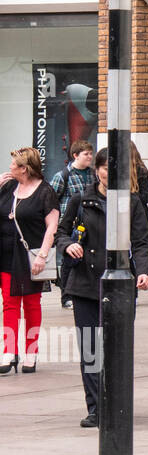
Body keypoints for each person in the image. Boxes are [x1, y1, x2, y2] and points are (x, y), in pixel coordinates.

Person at [55, 148, 148, 427]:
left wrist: (143, 273)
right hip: (85, 283)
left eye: (114, 168)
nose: (108, 173)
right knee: (90, 349)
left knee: (117, 346)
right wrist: (68, 244)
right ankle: (96, 408)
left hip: (121, 285)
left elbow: (143, 242)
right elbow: (61, 232)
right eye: (104, 168)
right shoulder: (80, 200)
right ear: (96, 169)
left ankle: (117, 403)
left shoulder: (132, 203)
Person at [0, 148, 59, 373]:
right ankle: (9, 352)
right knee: (9, 303)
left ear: (24, 168)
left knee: (32, 304)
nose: (10, 168)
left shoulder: (45, 192)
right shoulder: (7, 186)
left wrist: (43, 255)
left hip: (32, 255)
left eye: (14, 165)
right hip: (6, 254)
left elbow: (51, 227)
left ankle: (31, 352)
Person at [49, 139, 96, 309]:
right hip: (71, 226)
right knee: (69, 261)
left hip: (90, 225)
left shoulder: (94, 174)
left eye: (91, 153)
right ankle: (66, 296)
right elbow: (50, 200)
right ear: (75, 155)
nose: (90, 157)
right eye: (86, 154)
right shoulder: (63, 176)